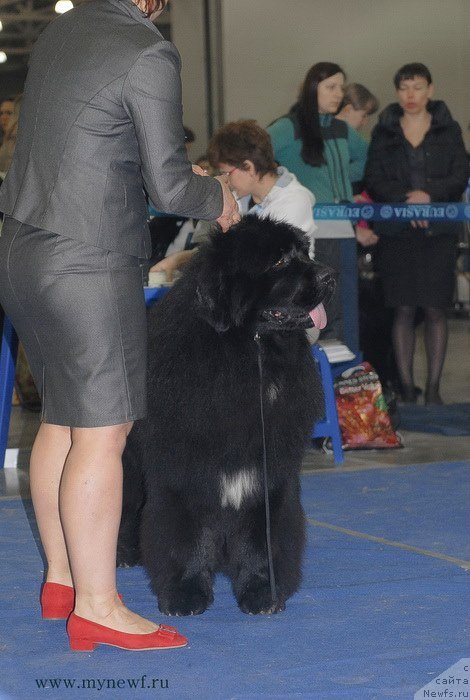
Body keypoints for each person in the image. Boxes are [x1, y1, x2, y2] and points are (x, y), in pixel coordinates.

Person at [0, 0, 239, 653]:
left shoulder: (63, 29)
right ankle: (99, 606)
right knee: (103, 437)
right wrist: (221, 196)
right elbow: (169, 187)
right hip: (86, 257)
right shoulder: (147, 51)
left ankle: (63, 580)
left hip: (21, 248)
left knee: (62, 419)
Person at [365, 63, 468, 404]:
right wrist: (407, 201)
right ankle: (408, 389)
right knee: (403, 309)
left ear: (431, 90)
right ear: (397, 93)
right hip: (397, 232)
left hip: (438, 232)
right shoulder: (384, 132)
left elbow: (460, 174)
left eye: (418, 87)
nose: (411, 95)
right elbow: (374, 178)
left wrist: (429, 196)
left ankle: (435, 389)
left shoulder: (449, 130)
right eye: (404, 88)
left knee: (436, 309)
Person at [267, 62, 368, 352]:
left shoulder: (342, 129)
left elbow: (365, 158)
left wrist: (341, 180)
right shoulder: (290, 126)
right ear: (313, 89)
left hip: (344, 229)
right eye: (331, 87)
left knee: (343, 306)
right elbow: (260, 153)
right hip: (311, 230)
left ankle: (342, 382)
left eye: (341, 88)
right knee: (315, 306)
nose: (339, 94)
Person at [151, 119, 317, 282]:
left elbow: (255, 259)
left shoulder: (295, 201)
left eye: (227, 173)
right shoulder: (238, 200)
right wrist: (177, 260)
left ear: (249, 167)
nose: (226, 181)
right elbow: (218, 250)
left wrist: (180, 259)